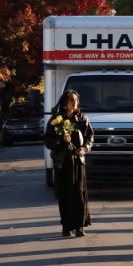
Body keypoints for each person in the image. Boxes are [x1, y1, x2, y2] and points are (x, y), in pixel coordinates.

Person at [45, 90, 94, 237]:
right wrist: (60, 141)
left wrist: (84, 149)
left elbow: (90, 137)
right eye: (72, 100)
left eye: (76, 100)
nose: (75, 102)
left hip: (78, 163)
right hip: (62, 163)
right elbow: (47, 140)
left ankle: (79, 226)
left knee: (79, 194)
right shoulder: (56, 120)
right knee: (65, 195)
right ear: (65, 102)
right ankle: (66, 227)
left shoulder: (82, 119)